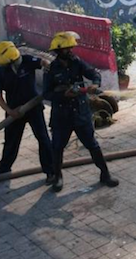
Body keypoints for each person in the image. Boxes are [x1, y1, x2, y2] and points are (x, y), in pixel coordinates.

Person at [43, 32, 118, 192]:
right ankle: (58, 177)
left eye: (71, 47)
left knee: (93, 145)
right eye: (66, 48)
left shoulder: (77, 62)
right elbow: (46, 94)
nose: (70, 50)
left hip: (80, 113)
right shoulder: (51, 70)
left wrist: (96, 82)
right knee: (57, 148)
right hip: (61, 116)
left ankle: (105, 174)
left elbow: (93, 73)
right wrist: (64, 95)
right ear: (58, 50)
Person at [0, 42, 54, 184]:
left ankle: (51, 171)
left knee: (43, 139)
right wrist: (10, 111)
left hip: (33, 107)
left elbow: (44, 62)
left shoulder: (27, 60)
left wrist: (50, 68)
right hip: (14, 111)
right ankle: (3, 170)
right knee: (10, 142)